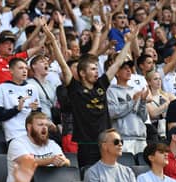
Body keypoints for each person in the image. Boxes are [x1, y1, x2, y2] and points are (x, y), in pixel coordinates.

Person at [41, 18, 134, 167]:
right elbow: (63, 64)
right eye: (92, 69)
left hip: (106, 142)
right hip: (86, 144)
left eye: (97, 68)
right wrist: (52, 39)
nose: (96, 71)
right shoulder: (74, 88)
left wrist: (129, 42)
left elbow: (117, 64)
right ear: (82, 73)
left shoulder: (101, 85)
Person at [6, 111, 70, 182]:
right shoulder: (17, 143)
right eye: (40, 125)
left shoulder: (52, 144)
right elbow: (27, 162)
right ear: (29, 127)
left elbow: (66, 161)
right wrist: (51, 160)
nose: (44, 128)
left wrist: (63, 162)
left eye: (46, 125)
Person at [0, 57, 40, 142]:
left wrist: (34, 110)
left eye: (26, 68)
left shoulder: (33, 88)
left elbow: (38, 114)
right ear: (11, 71)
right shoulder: (2, 88)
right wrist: (17, 109)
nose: (25, 71)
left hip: (33, 134)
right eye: (21, 68)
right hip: (14, 135)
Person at [107, 60, 148, 154]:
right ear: (117, 73)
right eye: (125, 69)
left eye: (129, 69)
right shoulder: (111, 91)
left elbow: (144, 117)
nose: (129, 71)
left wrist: (143, 101)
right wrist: (132, 102)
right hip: (123, 139)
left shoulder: (136, 91)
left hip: (141, 139)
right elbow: (112, 112)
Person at [146, 70, 175, 139]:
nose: (159, 81)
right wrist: (168, 103)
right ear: (149, 82)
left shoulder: (168, 95)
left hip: (168, 127)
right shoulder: (148, 98)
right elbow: (153, 113)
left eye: (159, 79)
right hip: (154, 129)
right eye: (155, 79)